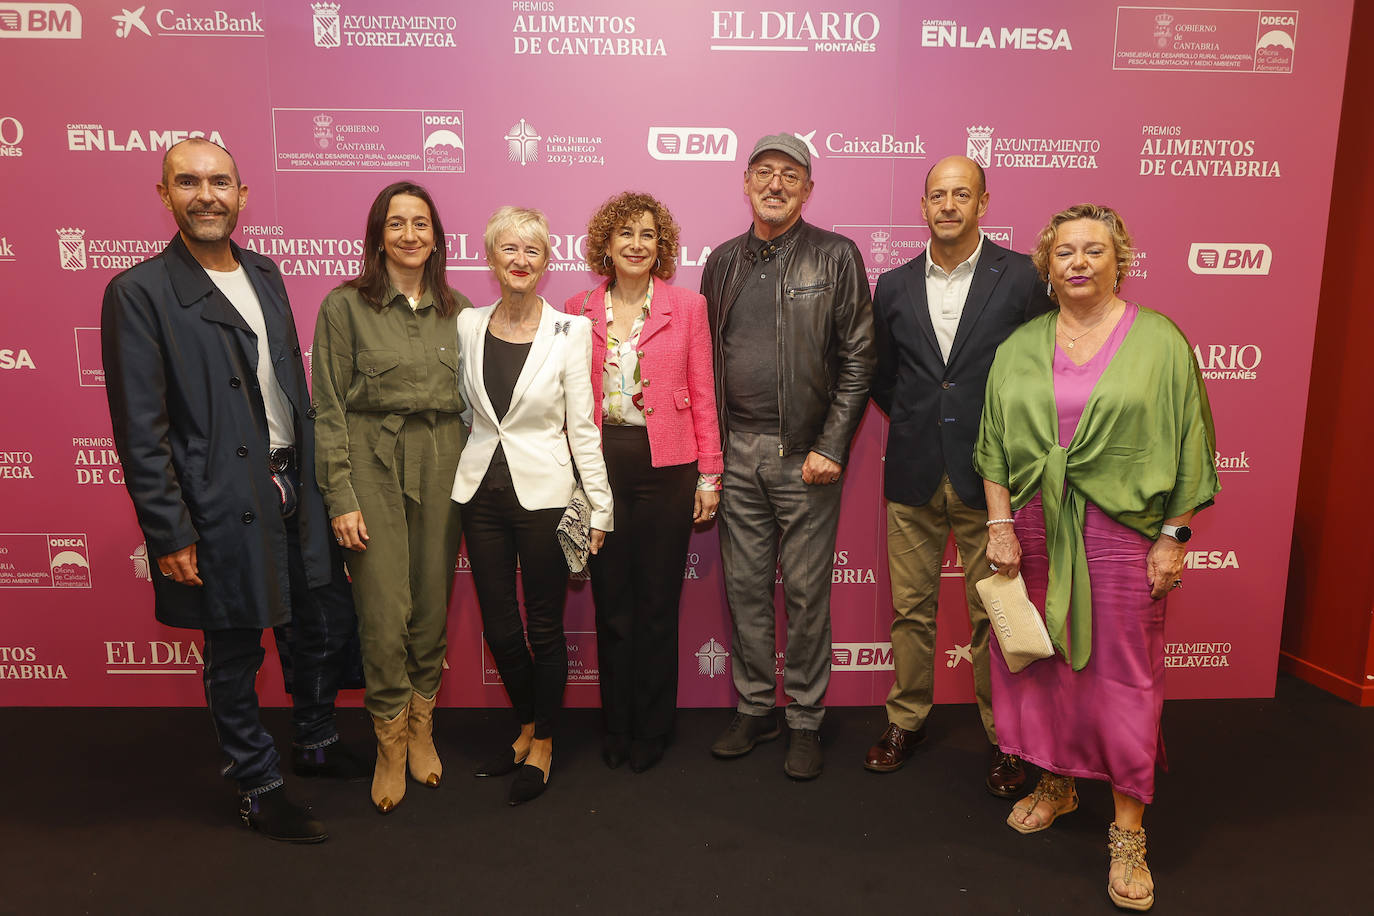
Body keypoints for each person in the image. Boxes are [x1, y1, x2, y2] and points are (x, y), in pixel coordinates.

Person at [100, 138, 367, 843]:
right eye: (188, 182)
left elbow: (288, 386)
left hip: (294, 483)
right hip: (219, 498)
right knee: (235, 647)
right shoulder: (139, 292)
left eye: (220, 182)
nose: (206, 194)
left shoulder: (265, 272)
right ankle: (258, 783)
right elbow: (140, 430)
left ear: (243, 195)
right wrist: (171, 530)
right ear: (165, 196)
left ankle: (313, 740)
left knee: (316, 624)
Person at [974, 203, 1220, 911]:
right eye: (1065, 252)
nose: (1079, 262)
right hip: (1033, 528)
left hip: (1124, 536)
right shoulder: (1020, 345)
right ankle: (1056, 782)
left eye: (1094, 250)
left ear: (1121, 260)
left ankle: (1128, 834)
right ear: (1046, 265)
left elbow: (1192, 444)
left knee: (1123, 679)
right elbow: (992, 443)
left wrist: (1174, 536)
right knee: (1042, 662)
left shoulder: (1161, 342)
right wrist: (998, 523)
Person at [866, 156, 1052, 793]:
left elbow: (1042, 371)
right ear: (923, 207)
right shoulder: (890, 285)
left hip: (993, 477)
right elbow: (884, 378)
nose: (948, 205)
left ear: (982, 202)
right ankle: (906, 719)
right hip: (914, 470)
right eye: (938, 195)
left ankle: (1008, 738)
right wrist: (924, 420)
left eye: (961, 194)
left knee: (992, 613)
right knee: (910, 609)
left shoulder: (1023, 277)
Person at [700, 133, 875, 780]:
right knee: (745, 589)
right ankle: (754, 708)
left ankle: (804, 718)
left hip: (804, 457)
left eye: (790, 175)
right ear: (746, 181)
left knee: (804, 593)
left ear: (807, 188)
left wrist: (831, 445)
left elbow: (859, 356)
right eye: (765, 172)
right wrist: (710, 457)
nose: (776, 184)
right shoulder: (720, 262)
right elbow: (704, 365)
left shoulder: (835, 256)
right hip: (735, 451)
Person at [311, 182, 471, 814]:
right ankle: (388, 742)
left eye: (421, 224)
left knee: (431, 604)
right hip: (371, 461)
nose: (410, 235)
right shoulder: (343, 306)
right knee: (383, 613)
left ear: (436, 236)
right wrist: (340, 495)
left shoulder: (460, 312)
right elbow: (327, 407)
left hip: (444, 460)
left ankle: (422, 725)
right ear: (378, 235)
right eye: (396, 224)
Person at [451, 206, 613, 805]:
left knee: (544, 626)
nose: (520, 260)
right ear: (491, 258)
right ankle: (524, 725)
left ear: (547, 262)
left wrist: (600, 506)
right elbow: (471, 415)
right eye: (509, 249)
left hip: (544, 497)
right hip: (479, 495)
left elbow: (583, 428)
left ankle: (543, 742)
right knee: (500, 623)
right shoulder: (467, 324)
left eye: (533, 251)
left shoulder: (570, 332)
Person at [564, 191, 722, 774]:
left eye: (648, 235)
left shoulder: (687, 307)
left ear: (662, 247)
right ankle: (617, 723)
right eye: (625, 233)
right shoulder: (576, 309)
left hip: (669, 469)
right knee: (611, 605)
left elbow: (703, 394)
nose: (636, 244)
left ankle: (653, 727)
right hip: (599, 469)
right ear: (606, 243)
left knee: (657, 604)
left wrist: (710, 473)